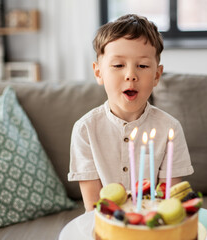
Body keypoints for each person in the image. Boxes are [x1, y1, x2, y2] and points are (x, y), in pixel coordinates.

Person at [68, 14, 193, 211]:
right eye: (118, 65)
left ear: (157, 75)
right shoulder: (85, 130)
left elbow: (169, 205)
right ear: (99, 72)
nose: (131, 75)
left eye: (142, 66)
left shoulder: (170, 129)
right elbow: (93, 210)